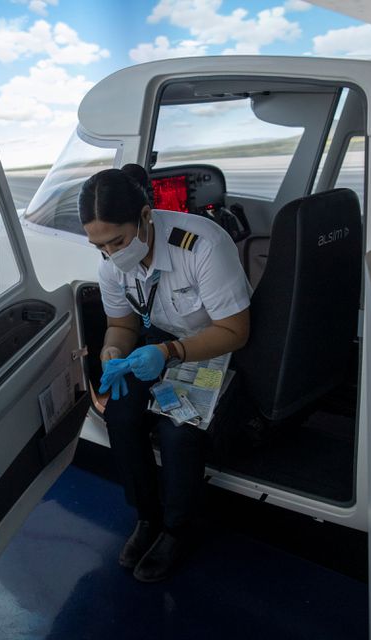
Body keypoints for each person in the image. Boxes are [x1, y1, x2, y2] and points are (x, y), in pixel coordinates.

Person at [78, 163, 251, 582]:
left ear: (144, 216)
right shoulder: (111, 266)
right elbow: (122, 324)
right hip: (161, 342)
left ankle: (177, 528)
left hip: (215, 346)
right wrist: (112, 352)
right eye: (99, 246)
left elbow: (236, 331)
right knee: (119, 412)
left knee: (179, 428)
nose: (110, 255)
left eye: (117, 241)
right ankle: (146, 517)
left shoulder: (202, 245)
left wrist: (169, 351)